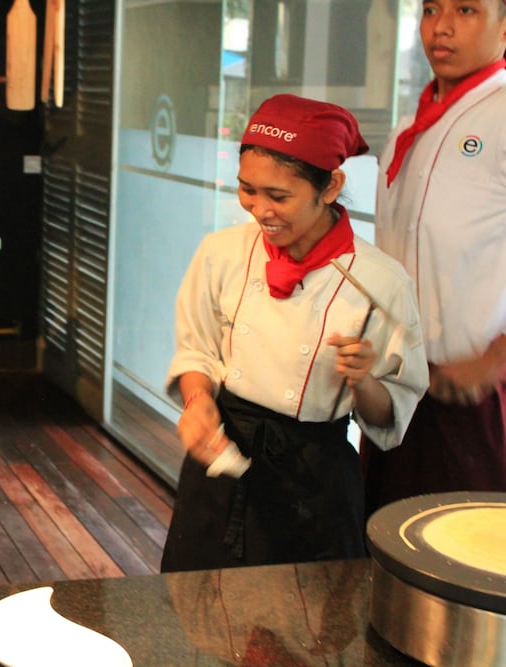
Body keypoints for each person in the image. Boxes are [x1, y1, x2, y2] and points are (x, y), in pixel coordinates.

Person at [160, 95, 429, 572]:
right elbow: (196, 349)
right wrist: (197, 401)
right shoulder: (222, 252)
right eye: (247, 190)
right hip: (222, 463)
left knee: (309, 615)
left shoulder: (379, 282)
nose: (259, 210)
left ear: (331, 187)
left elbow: (391, 411)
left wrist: (363, 380)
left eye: (279, 196)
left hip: (314, 483)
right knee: (194, 605)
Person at [362, 0, 506, 515]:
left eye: (466, 10)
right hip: (397, 385)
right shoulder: (412, 124)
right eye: (430, 10)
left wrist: (494, 360)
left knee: (460, 548)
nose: (441, 27)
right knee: (381, 536)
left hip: (470, 395)